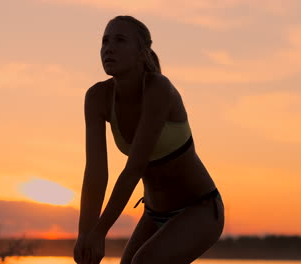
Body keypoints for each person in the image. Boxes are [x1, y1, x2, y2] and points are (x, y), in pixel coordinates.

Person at [73, 15, 225, 264]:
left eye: (120, 40)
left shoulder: (158, 89)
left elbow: (134, 169)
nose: (108, 48)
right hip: (154, 214)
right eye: (104, 41)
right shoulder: (97, 97)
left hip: (200, 208)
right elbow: (95, 174)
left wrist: (100, 232)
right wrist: (85, 234)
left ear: (141, 53)